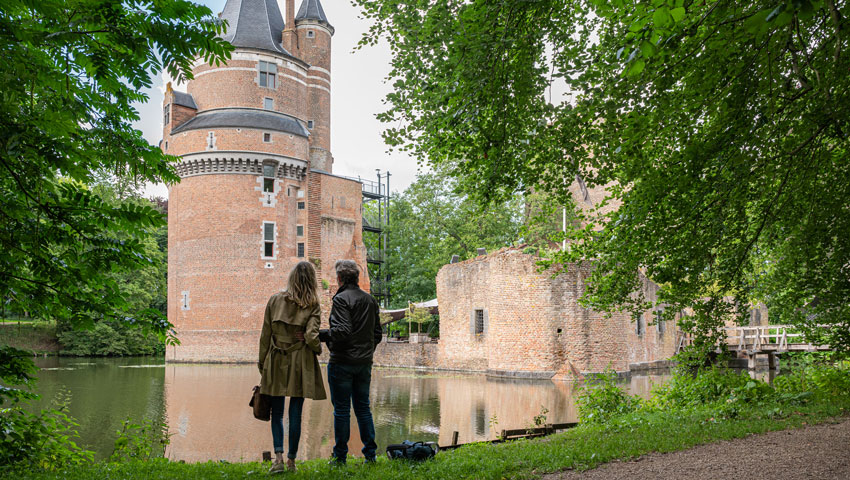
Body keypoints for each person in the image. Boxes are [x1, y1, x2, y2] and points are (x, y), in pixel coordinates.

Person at [258, 261, 327, 474]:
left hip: (276, 359)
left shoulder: (275, 300)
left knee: (276, 412)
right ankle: (291, 461)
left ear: (291, 278)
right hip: (300, 361)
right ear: (312, 281)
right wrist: (317, 349)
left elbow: (265, 335)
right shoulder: (313, 304)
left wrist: (262, 362)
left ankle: (277, 458)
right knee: (295, 412)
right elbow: (311, 336)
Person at [319, 259, 383, 464]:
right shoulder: (370, 300)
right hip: (363, 363)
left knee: (342, 410)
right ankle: (370, 455)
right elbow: (377, 334)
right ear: (356, 278)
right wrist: (366, 351)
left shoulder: (341, 300)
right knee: (363, 408)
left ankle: (340, 457)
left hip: (343, 362)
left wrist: (320, 335)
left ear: (339, 279)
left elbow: (343, 331)